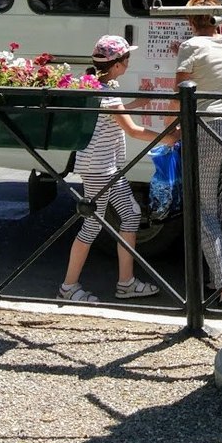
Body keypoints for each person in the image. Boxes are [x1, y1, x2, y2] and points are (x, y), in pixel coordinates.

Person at [59, 35, 163, 304]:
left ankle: (126, 283)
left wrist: (134, 105)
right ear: (117, 65)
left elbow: (110, 114)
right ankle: (69, 287)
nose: (129, 62)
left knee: (130, 214)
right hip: (99, 168)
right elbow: (132, 130)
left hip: (106, 167)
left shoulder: (98, 85)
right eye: (127, 58)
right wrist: (170, 136)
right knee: (92, 225)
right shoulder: (108, 92)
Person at [175, 0, 222, 304]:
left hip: (207, 127)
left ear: (189, 19)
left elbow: (182, 91)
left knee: (203, 208)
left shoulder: (190, 46)